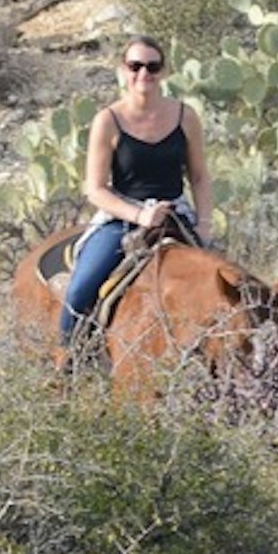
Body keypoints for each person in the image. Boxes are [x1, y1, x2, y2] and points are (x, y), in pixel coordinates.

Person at [58, 37, 211, 355]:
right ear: (123, 70)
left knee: (226, 286)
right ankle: (67, 367)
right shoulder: (108, 121)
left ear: (164, 71)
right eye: (135, 66)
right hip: (123, 218)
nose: (144, 74)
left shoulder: (185, 117)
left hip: (175, 215)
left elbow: (198, 175)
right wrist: (140, 216)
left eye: (153, 66)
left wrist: (205, 224)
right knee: (79, 292)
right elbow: (95, 189)